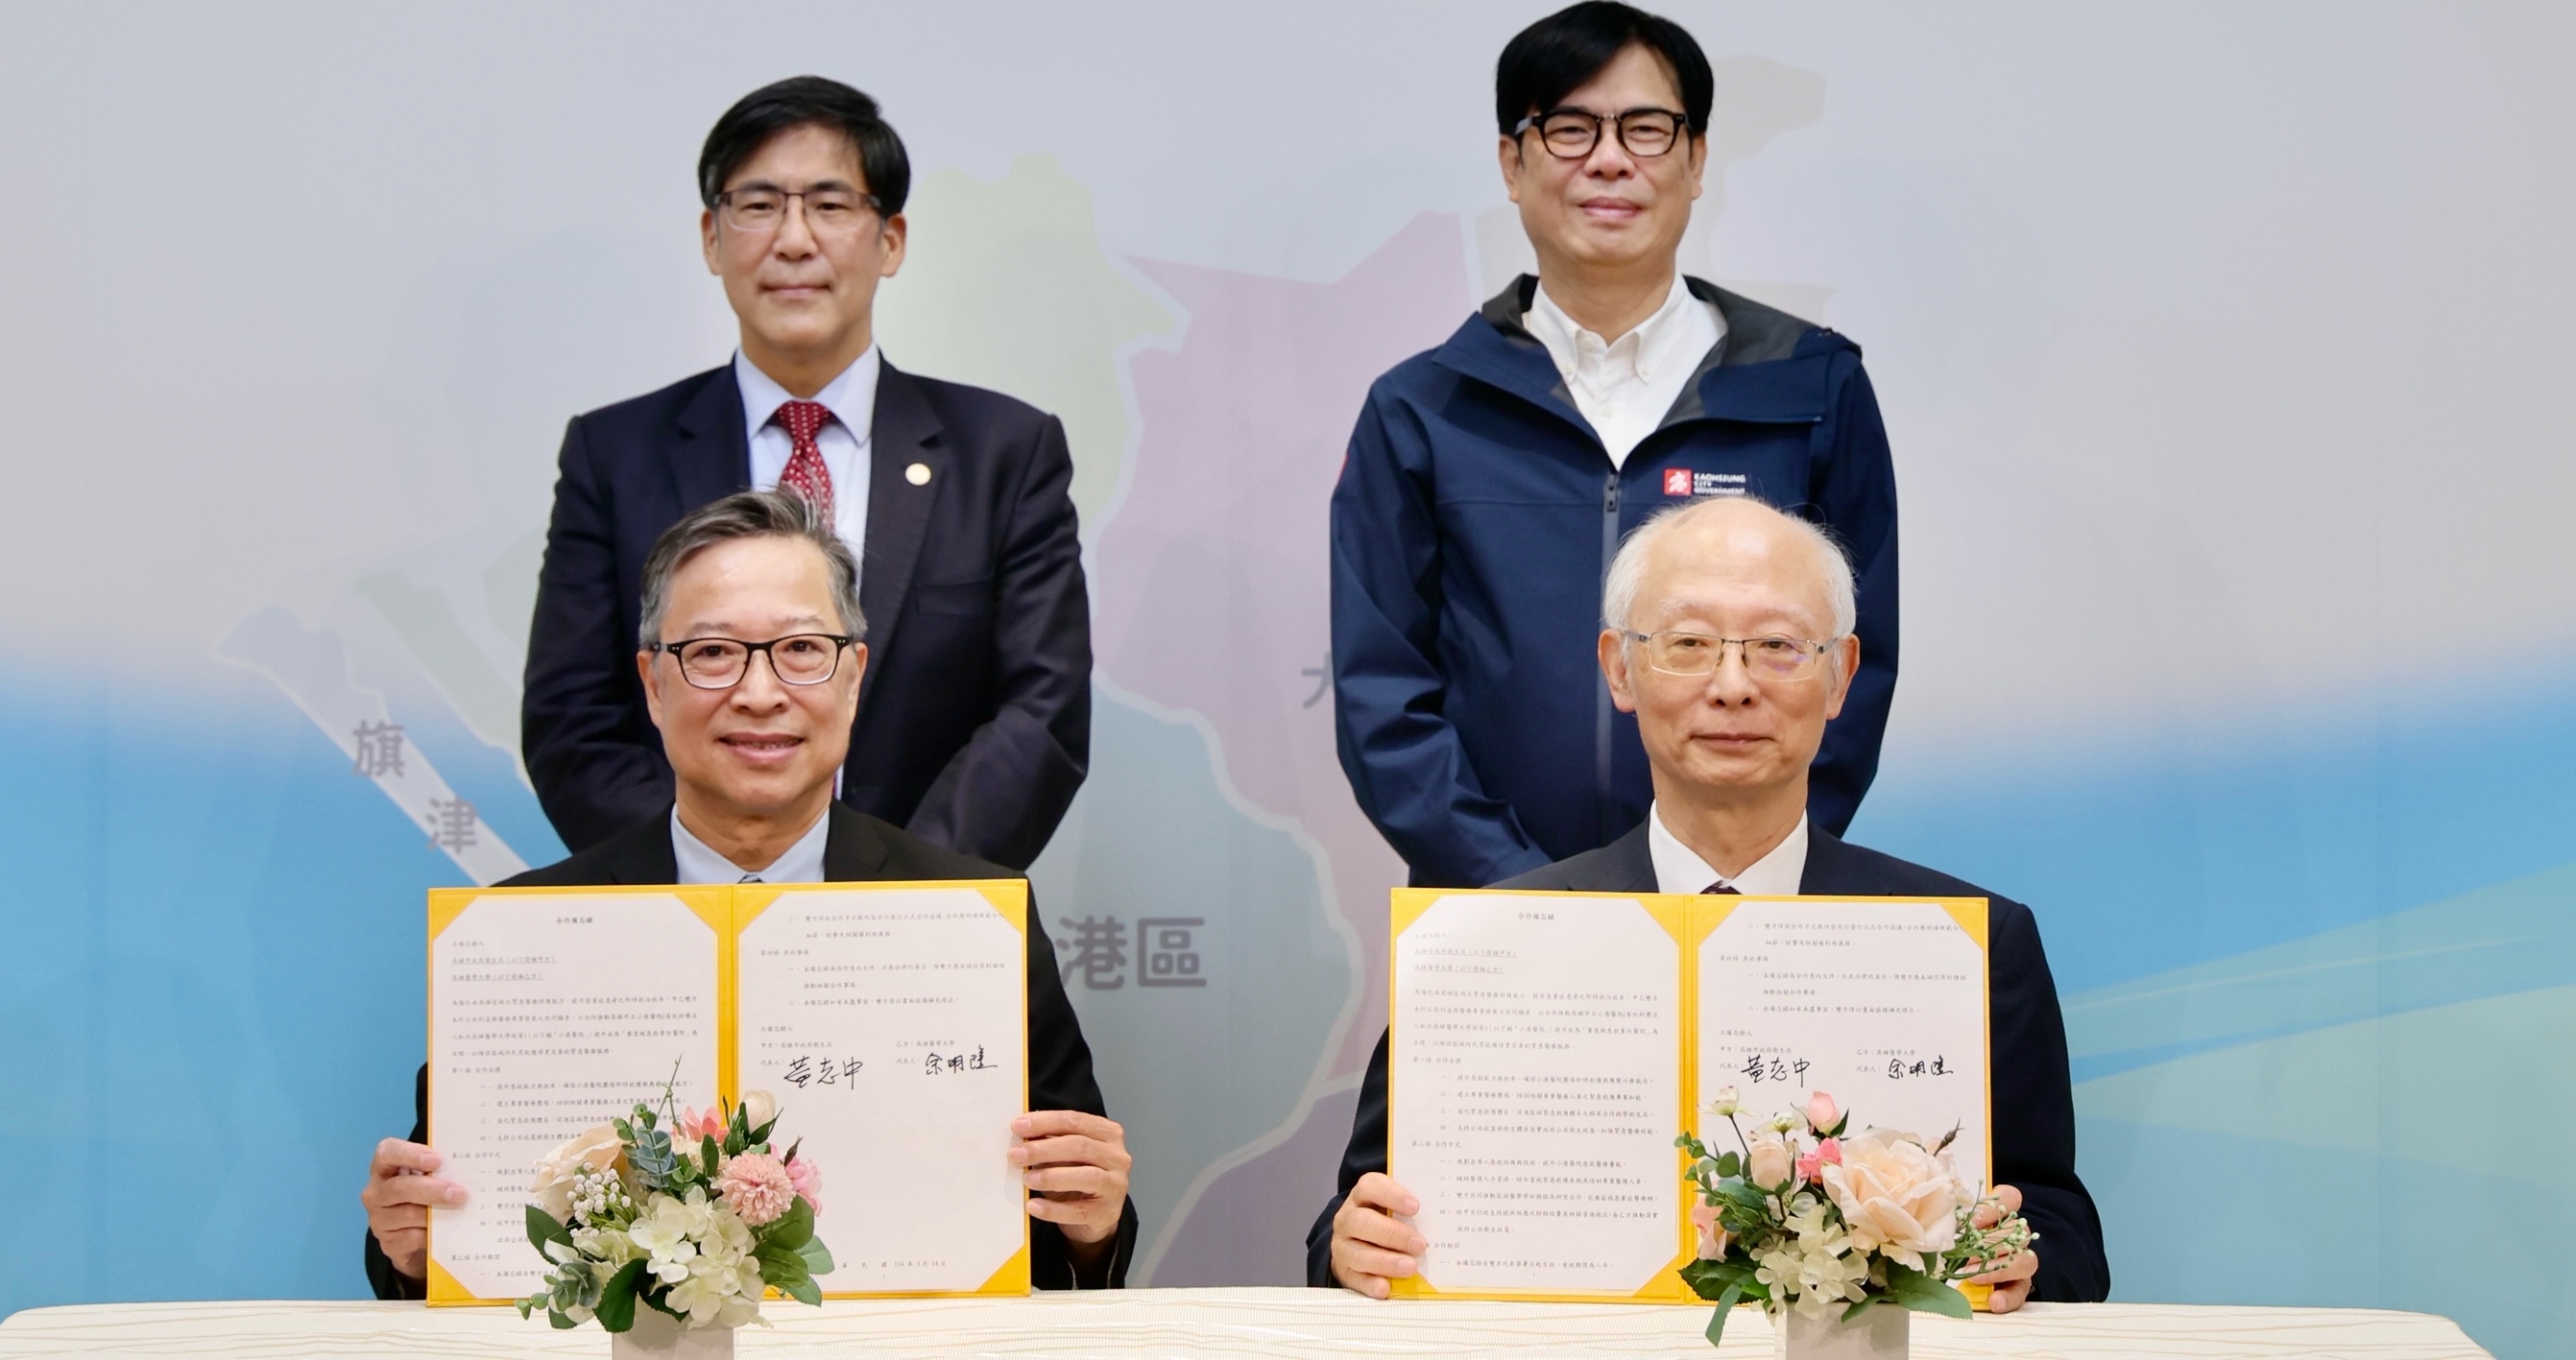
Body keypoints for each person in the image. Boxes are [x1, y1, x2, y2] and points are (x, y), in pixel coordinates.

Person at [1309, 495, 2102, 1306]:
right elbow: (1351, 1223)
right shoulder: (1483, 943)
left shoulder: (1970, 945)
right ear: (1619, 667)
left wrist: (2019, 1256)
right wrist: (1353, 1245)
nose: (1733, 686)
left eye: (1778, 646)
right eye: (1688, 644)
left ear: (1840, 674)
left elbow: (2063, 1231)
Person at [368, 486, 1137, 1296]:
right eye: (712, 653)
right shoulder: (518, 934)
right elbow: (441, 1244)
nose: (761, 693)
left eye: (801, 649)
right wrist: (413, 1246)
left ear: (853, 677)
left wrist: (1091, 1227)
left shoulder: (976, 921)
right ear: (653, 684)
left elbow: (1069, 1245)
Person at [1330, 0, 1900, 886]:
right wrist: (1528, 895)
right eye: (1569, 128)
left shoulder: (1809, 390)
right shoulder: (1424, 410)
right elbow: (1383, 697)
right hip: (1495, 916)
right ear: (1512, 163)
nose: (1609, 159)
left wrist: (1735, 872)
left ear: (1696, 159)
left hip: (1739, 909)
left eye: (1646, 129)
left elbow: (1853, 670)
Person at [522, 77, 1093, 867]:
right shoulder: (615, 453)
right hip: (688, 917)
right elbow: (572, 719)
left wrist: (891, 891)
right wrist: (724, 875)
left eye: (829, 204)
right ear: (712, 238)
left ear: (890, 240)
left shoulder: (1004, 452)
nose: (794, 241)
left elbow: (1040, 713)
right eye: (759, 205)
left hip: (928, 911)